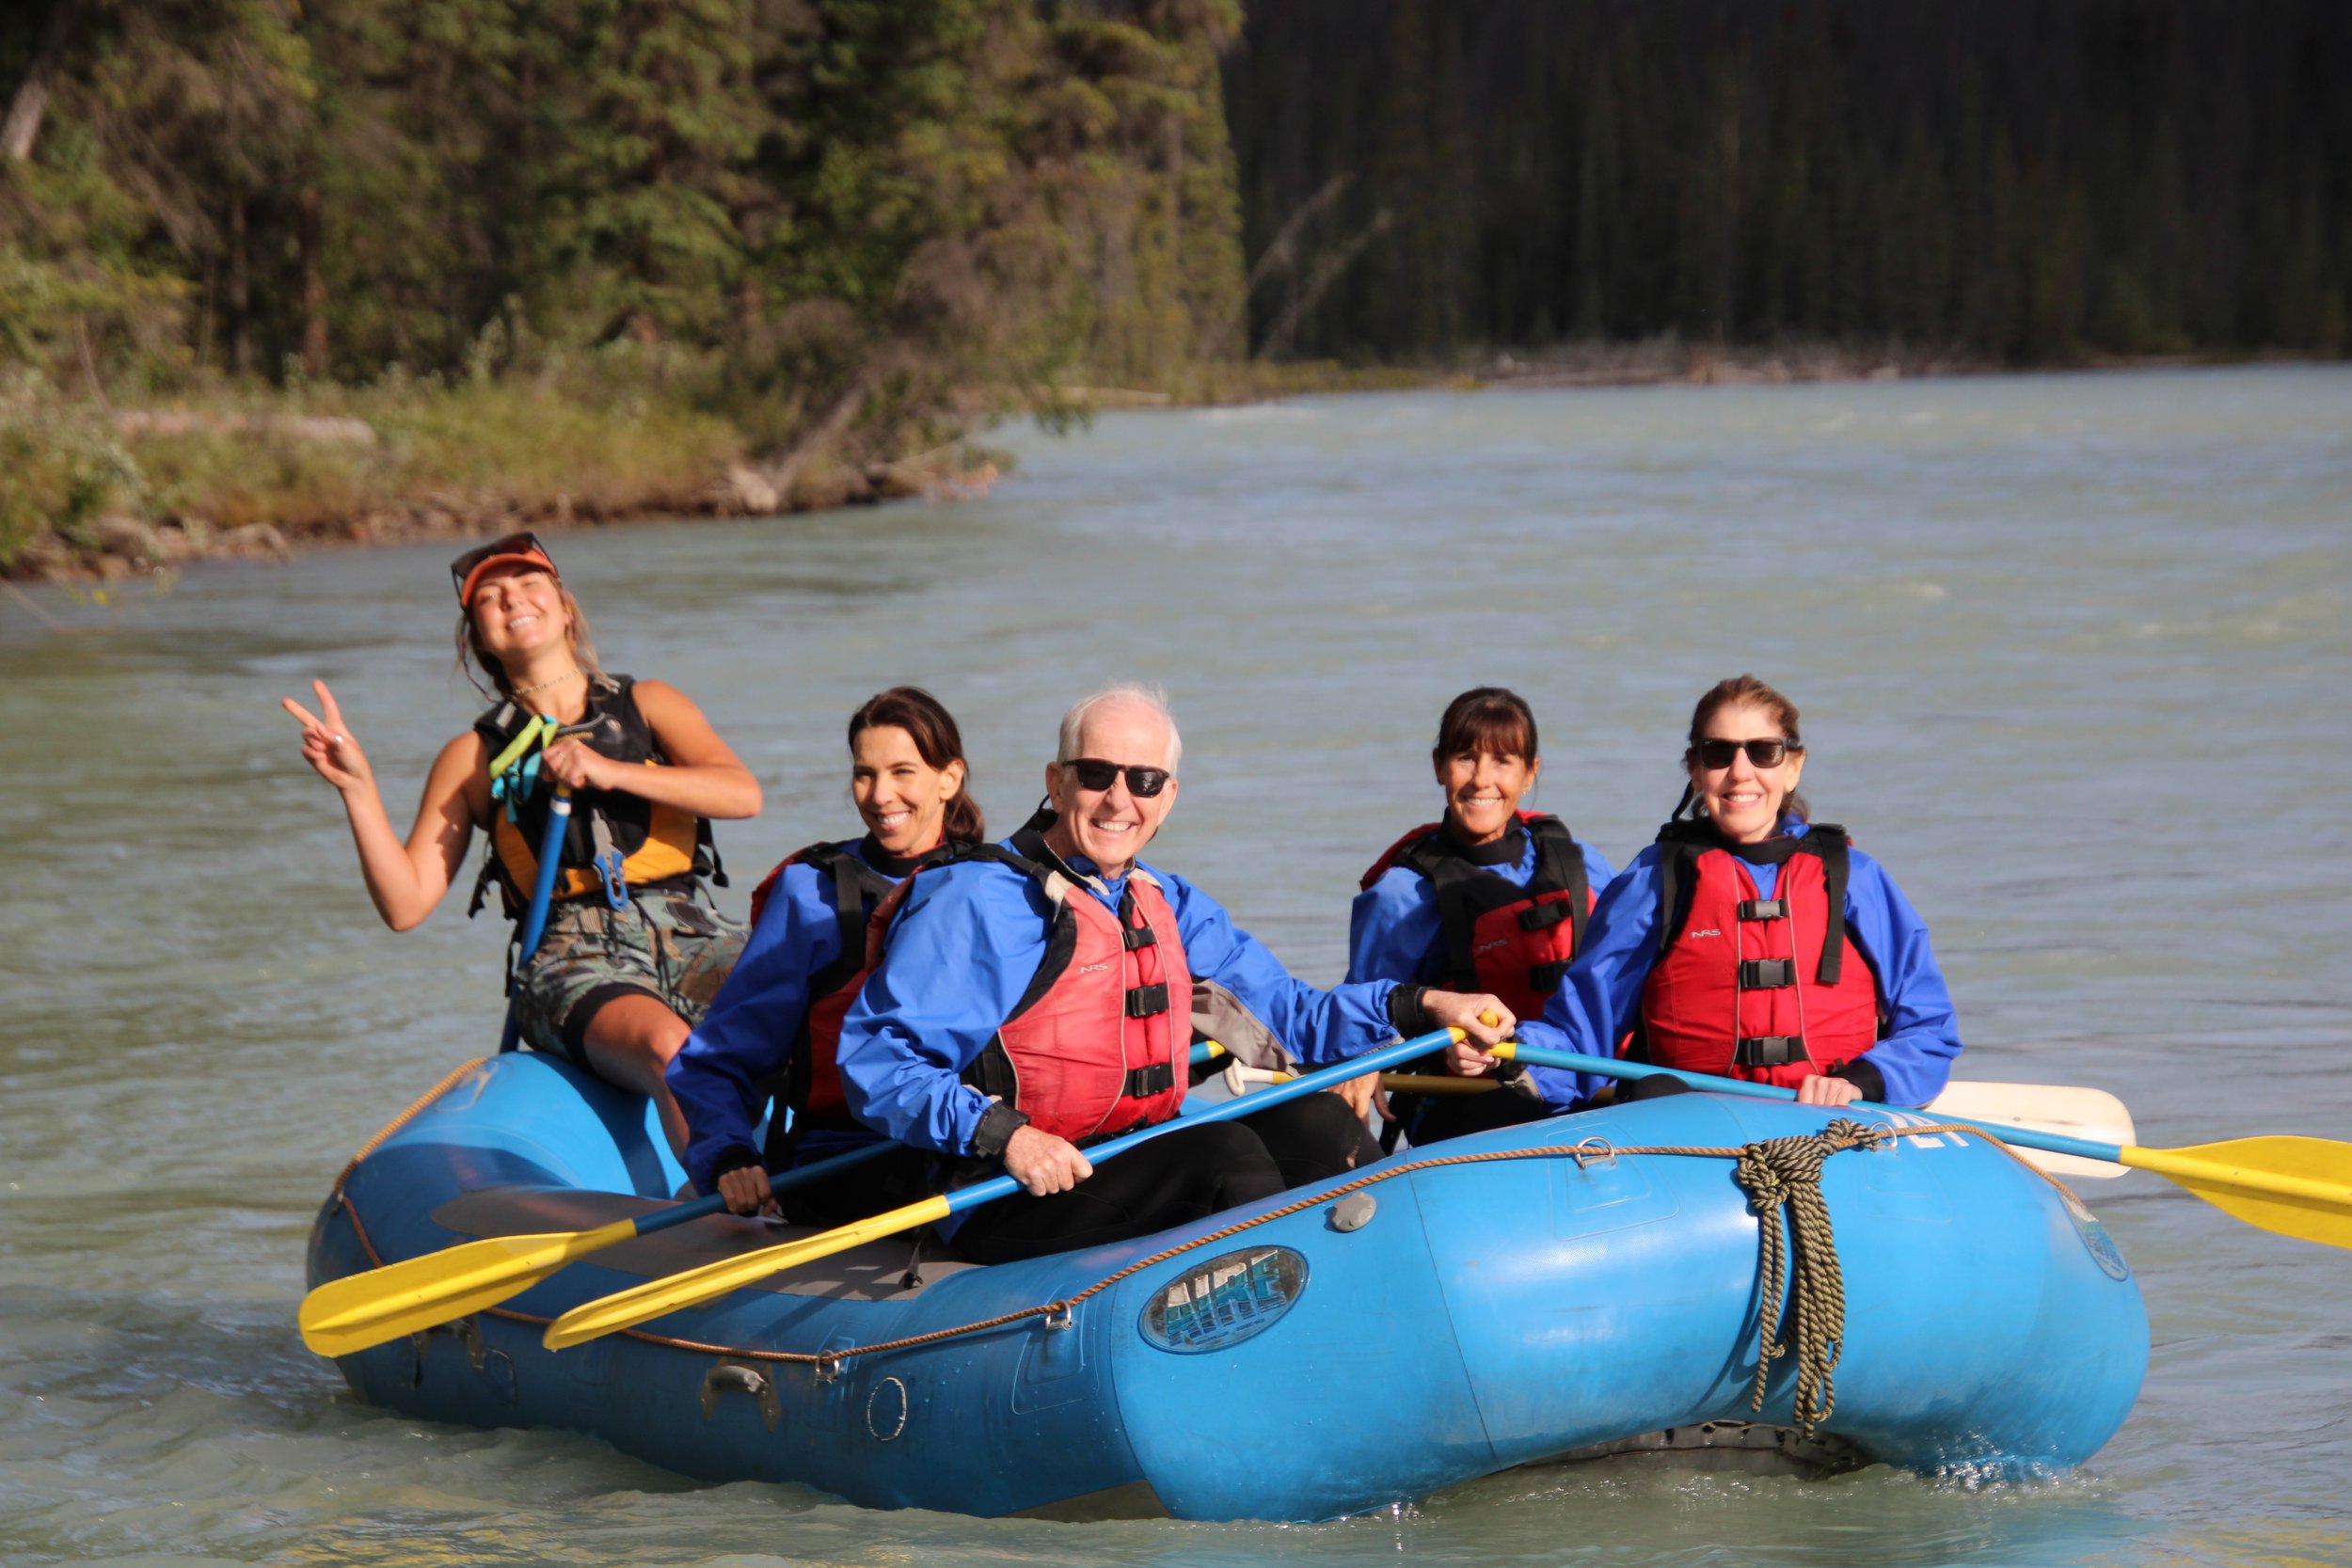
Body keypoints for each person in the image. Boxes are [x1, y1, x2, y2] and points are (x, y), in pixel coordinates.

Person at [833, 685, 1518, 1264]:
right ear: (1056, 780)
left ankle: (1401, 1304)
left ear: (1168, 796)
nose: (1118, 799)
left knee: (1315, 1122)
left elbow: (1291, 1012)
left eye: (1144, 780)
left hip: (1126, 1156)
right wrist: (1006, 1134)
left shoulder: (1166, 902)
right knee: (1225, 1156)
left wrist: (1426, 1003)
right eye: (1097, 773)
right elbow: (877, 1062)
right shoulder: (977, 902)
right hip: (1005, 1187)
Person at [281, 531, 760, 1152]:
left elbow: (743, 794)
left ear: (565, 607)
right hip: (573, 959)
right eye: (491, 597)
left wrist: (608, 769)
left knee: (822, 988)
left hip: (694, 928)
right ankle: (737, 1203)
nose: (513, 601)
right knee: (668, 1046)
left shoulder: (651, 703)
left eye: (530, 584)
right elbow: (405, 904)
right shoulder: (472, 756)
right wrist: (358, 787)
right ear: (477, 636)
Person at [1453, 673, 1962, 1113]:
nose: (1741, 772)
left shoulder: (1856, 879)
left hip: (1830, 1126)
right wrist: (1506, 1050)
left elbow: (1930, 1028)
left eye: (1763, 752)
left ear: (1793, 766)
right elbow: (1581, 1038)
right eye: (1719, 753)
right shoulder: (1654, 883)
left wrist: (1862, 1082)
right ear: (1695, 770)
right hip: (1697, 1137)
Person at [669, 688, 985, 1222]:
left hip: (972, 1144)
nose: (880, 795)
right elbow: (721, 1057)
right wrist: (729, 1155)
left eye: (902, 772)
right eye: (865, 774)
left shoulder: (997, 886)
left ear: (949, 779)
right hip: (845, 1157)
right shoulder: (811, 894)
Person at [1348, 687, 1616, 1144]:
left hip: (1580, 1085)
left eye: (1503, 761)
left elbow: (1624, 982)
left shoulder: (1581, 864)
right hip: (1461, 1096)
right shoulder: (1400, 893)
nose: (1481, 780)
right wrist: (1439, 1049)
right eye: (1466, 758)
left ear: (1530, 773)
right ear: (1439, 766)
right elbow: (1364, 1020)